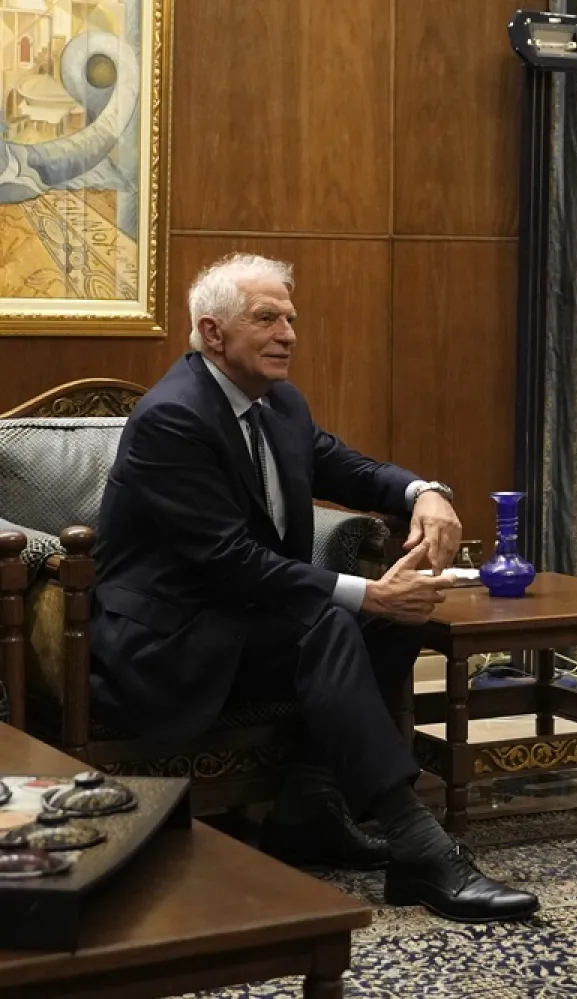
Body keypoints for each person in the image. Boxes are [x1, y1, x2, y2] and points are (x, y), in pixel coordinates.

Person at [90, 253, 538, 922]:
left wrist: (427, 492)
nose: (288, 333)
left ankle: (310, 809)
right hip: (169, 643)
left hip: (248, 623)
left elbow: (350, 468)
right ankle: (418, 845)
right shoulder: (172, 419)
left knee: (401, 614)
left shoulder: (279, 404)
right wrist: (365, 592)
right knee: (333, 618)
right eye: (266, 318)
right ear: (213, 333)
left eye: (291, 318)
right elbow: (229, 560)